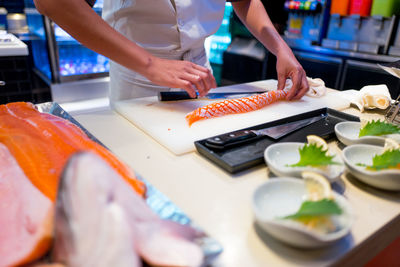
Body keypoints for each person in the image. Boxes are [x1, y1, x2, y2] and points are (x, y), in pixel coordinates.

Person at [34, 0, 309, 105]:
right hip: (137, 82)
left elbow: (244, 1)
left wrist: (281, 48)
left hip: (201, 77)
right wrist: (151, 64)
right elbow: (53, 2)